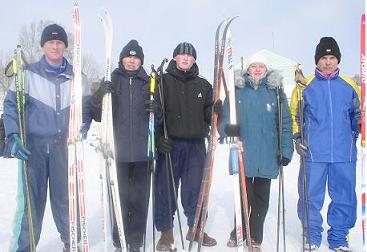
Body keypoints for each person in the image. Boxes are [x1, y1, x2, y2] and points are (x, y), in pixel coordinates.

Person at [2, 24, 91, 252]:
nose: (55, 46)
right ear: (43, 45)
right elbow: (11, 106)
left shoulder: (77, 77)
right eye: (51, 42)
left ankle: (71, 242)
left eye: (59, 42)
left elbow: (86, 108)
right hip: (34, 149)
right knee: (31, 205)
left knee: (66, 201)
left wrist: (82, 126)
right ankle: (24, 247)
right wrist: (12, 136)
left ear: (65, 46)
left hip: (65, 148)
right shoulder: (27, 74)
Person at [218, 51, 294, 251]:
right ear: (248, 69)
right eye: (254, 66)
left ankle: (256, 237)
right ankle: (238, 231)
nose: (257, 69)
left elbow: (285, 122)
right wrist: (228, 128)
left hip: (268, 153)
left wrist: (286, 149)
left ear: (267, 70)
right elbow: (225, 118)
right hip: (243, 151)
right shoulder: (237, 91)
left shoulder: (276, 92)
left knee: (260, 199)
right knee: (242, 195)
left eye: (261, 66)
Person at [290, 37, 360, 251]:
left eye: (332, 57)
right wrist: (297, 138)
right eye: (323, 58)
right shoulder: (305, 87)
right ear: (317, 61)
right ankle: (311, 235)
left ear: (337, 60)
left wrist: (360, 123)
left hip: (343, 152)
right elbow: (294, 116)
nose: (328, 62)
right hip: (314, 152)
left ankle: (339, 237)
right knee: (310, 195)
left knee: (344, 196)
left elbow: (356, 117)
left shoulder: (350, 86)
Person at [88, 39, 159, 252]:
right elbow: (96, 114)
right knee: (119, 199)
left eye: (136, 57)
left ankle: (136, 242)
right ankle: (119, 240)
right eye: (128, 57)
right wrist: (100, 94)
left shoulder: (149, 82)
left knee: (139, 199)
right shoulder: (111, 79)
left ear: (141, 61)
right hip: (117, 154)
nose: (131, 60)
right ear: (121, 59)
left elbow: (161, 120)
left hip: (142, 153)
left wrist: (158, 109)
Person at [154, 42, 217, 251]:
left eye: (189, 56)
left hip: (196, 146)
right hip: (169, 145)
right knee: (166, 190)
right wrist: (157, 138)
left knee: (195, 190)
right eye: (181, 55)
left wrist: (218, 110)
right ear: (174, 58)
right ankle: (166, 233)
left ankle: (195, 227)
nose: (185, 58)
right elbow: (153, 115)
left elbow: (209, 115)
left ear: (194, 60)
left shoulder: (204, 85)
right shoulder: (162, 81)